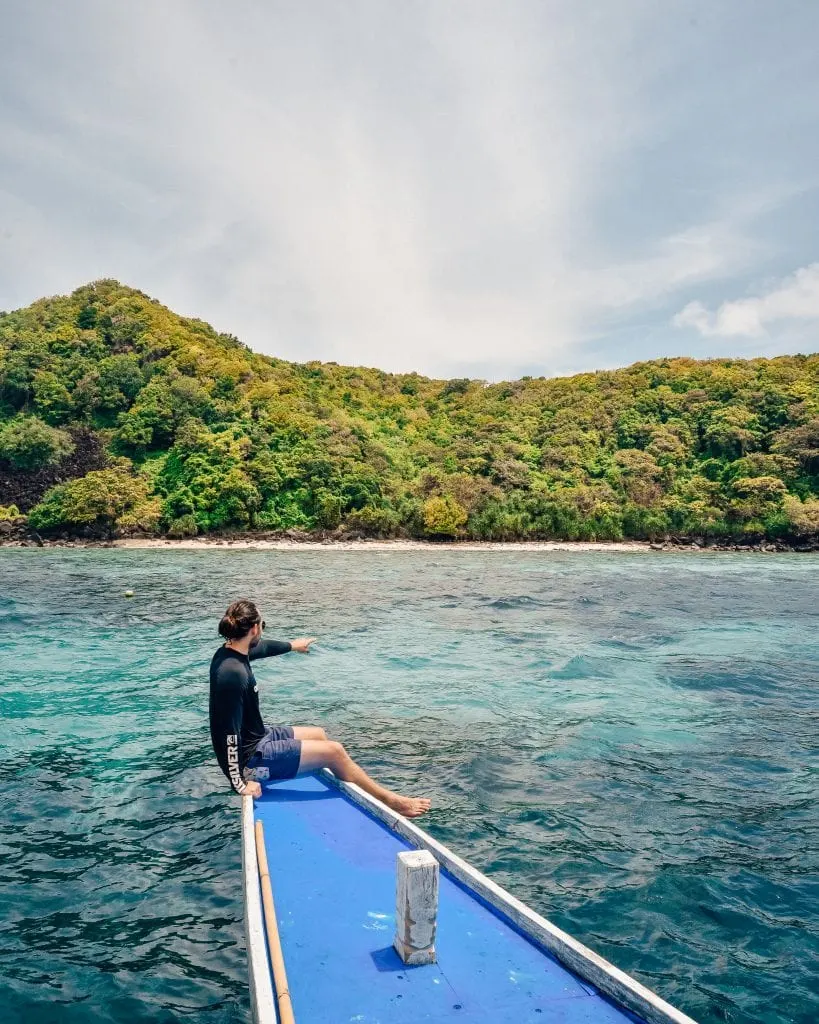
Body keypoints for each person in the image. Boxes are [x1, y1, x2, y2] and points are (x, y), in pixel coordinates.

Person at [209, 599, 431, 818]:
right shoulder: (232, 674)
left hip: (258, 736)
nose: (263, 633)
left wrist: (293, 645)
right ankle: (392, 801)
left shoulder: (232, 652)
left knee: (319, 734)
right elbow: (226, 734)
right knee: (335, 752)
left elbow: (264, 648)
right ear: (255, 628)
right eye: (264, 626)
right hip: (251, 759)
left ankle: (352, 785)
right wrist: (239, 783)